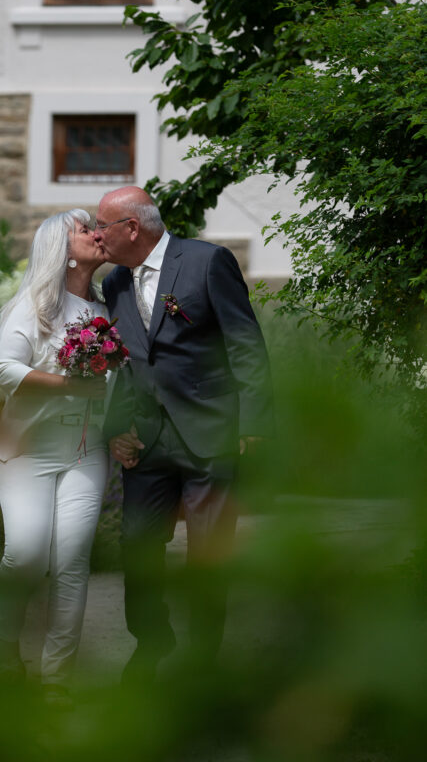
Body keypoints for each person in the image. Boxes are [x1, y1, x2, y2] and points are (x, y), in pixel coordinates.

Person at [93, 187, 274, 684]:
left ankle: (201, 660)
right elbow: (129, 366)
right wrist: (117, 429)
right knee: (138, 546)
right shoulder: (114, 285)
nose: (95, 234)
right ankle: (151, 642)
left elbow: (245, 345)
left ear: (132, 227)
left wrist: (253, 425)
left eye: (102, 224)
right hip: (148, 439)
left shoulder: (207, 261)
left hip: (212, 432)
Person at [0, 209, 109, 708]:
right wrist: (68, 384)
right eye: (85, 230)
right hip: (27, 453)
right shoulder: (34, 307)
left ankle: (57, 682)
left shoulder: (106, 308)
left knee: (72, 564)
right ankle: (0, 657)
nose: (96, 234)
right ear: (60, 247)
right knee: (26, 554)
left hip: (86, 452)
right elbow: (3, 370)